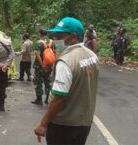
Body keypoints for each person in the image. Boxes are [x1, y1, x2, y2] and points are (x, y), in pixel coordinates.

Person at [34, 17, 99, 145]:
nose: (56, 39)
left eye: (59, 35)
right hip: (84, 122)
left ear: (73, 36)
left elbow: (59, 99)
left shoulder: (66, 62)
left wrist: (43, 123)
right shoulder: (92, 56)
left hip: (64, 125)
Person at [32, 29, 56, 105]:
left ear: (40, 34)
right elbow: (55, 53)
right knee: (47, 82)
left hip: (39, 67)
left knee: (38, 82)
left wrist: (42, 65)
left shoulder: (39, 42)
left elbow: (37, 54)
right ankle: (47, 99)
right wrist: (53, 64)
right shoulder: (52, 42)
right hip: (49, 66)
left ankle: (39, 99)